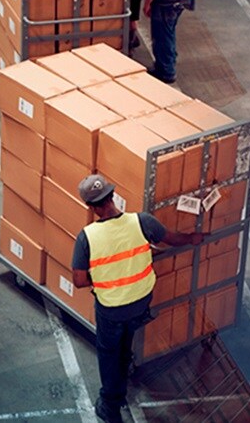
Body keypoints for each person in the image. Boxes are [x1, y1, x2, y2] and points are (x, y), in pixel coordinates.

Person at [72, 174, 203, 423]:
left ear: (91, 207)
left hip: (111, 309)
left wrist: (102, 275)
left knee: (108, 351)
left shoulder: (86, 237)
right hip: (141, 302)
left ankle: (110, 405)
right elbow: (173, 239)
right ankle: (125, 369)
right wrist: (193, 238)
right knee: (125, 340)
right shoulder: (142, 222)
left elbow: (79, 280)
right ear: (112, 197)